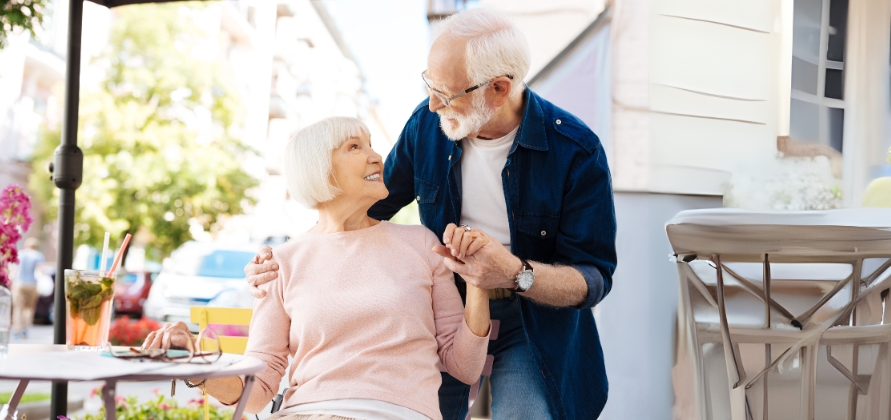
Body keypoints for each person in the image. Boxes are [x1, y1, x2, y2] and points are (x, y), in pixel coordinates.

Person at [244, 9, 618, 420]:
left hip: (532, 316)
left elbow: (593, 279)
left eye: (448, 92)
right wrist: (289, 266)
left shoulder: (576, 151)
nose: (433, 103)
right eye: (430, 84)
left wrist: (513, 273)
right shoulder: (429, 124)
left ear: (498, 89)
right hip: (441, 306)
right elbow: (358, 209)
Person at [143, 117, 492, 420]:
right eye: (355, 147)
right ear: (320, 168)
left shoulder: (420, 243)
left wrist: (477, 281)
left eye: (371, 145)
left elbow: (464, 366)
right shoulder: (280, 262)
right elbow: (261, 389)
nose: (376, 156)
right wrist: (197, 365)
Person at [12, 238, 45, 339]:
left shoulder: (20, 254)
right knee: (29, 308)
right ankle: (25, 329)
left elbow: (13, 269)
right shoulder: (38, 256)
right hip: (32, 284)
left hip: (19, 283)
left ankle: (17, 331)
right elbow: (40, 271)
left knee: (18, 308)